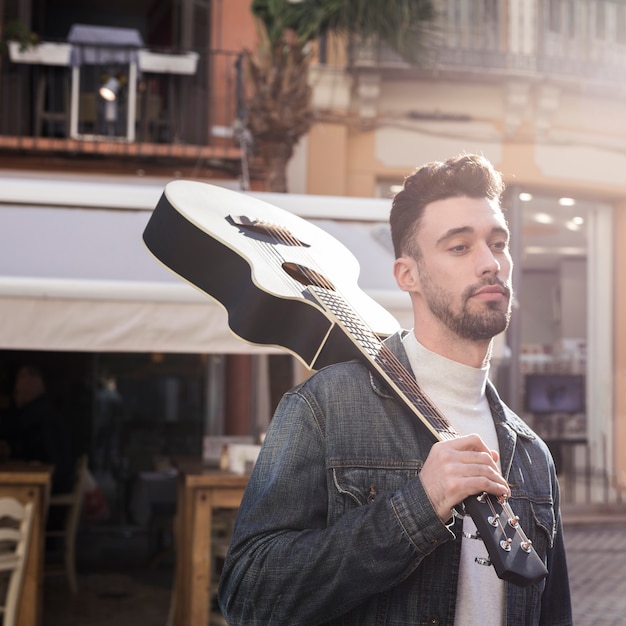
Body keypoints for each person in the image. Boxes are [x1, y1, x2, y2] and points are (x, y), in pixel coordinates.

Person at [218, 154, 572, 625]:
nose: (491, 264)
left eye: (498, 243)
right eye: (460, 247)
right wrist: (418, 506)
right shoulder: (324, 408)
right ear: (409, 275)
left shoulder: (532, 454)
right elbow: (248, 596)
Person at [2, 364, 74, 495]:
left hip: (51, 485)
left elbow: (11, 433)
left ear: (33, 382)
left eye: (21, 378)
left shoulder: (36, 412)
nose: (17, 387)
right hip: (56, 481)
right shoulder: (42, 409)